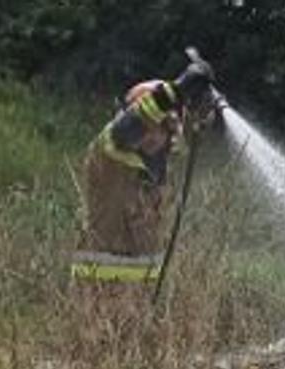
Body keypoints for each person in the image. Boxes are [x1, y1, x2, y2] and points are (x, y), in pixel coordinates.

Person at [70, 52, 217, 283]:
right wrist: (177, 90)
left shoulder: (160, 171)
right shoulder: (109, 152)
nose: (150, 134)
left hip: (138, 298)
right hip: (95, 292)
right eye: (147, 124)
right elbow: (128, 128)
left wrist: (199, 111)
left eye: (161, 127)